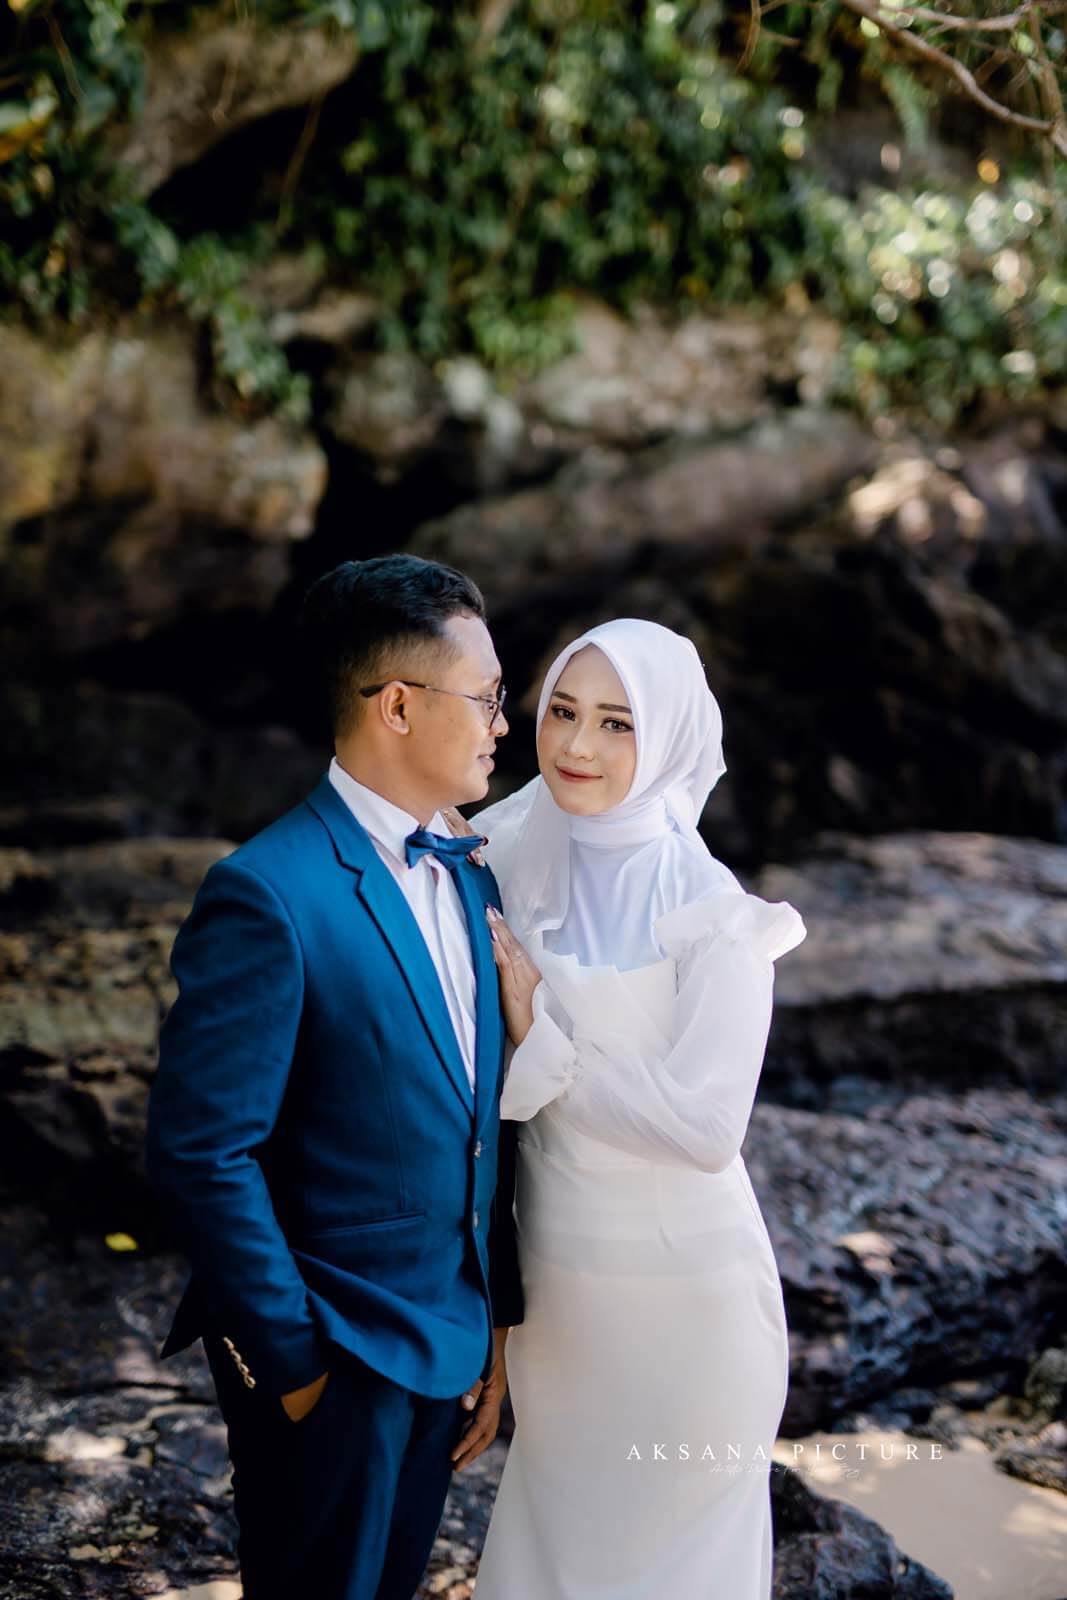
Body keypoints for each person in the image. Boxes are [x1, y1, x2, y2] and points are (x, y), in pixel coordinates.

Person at [145, 554, 524, 1600]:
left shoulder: (473, 869)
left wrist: (492, 1321)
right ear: (396, 706)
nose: (503, 724)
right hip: (335, 1356)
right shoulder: (267, 892)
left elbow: (480, 1122)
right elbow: (201, 1150)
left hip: (449, 1346)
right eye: (487, 697)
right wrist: (295, 1365)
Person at [469, 617, 805, 1600]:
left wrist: (543, 1041)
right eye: (563, 712)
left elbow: (705, 1131)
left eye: (617, 724)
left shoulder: (712, 911)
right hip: (556, 1299)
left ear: (665, 738)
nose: (577, 745)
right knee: (554, 1552)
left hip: (685, 1304)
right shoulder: (510, 840)